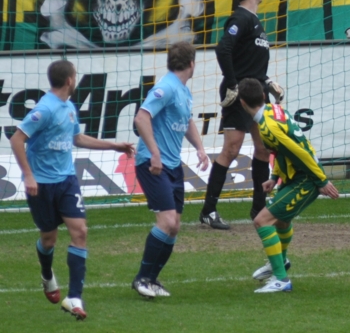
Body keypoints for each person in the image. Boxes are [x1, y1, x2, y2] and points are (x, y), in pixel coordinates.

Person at [10, 60, 135, 320]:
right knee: (49, 239)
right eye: (75, 76)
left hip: (67, 180)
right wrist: (29, 175)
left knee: (80, 231)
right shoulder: (44, 109)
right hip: (42, 185)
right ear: (69, 80)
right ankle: (47, 275)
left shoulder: (69, 107)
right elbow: (17, 139)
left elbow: (77, 138)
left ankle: (74, 297)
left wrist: (113, 146)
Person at [237, 78, 339, 293]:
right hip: (297, 176)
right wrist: (274, 177)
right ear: (263, 97)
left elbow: (300, 151)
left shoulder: (267, 127)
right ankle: (279, 263)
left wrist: (321, 180)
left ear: (242, 103)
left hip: (306, 178)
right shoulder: (274, 110)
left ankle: (281, 280)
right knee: (281, 222)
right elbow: (285, 149)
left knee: (262, 221)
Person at [199, 0, 284, 230]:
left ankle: (259, 208)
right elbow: (223, 49)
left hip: (257, 93)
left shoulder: (255, 21)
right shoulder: (240, 18)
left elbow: (249, 60)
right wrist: (233, 83)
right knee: (231, 149)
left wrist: (267, 81)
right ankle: (208, 210)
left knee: (263, 149)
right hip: (241, 95)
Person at [131, 42, 210, 298]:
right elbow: (141, 118)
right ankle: (142, 278)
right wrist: (154, 153)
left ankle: (152, 280)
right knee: (166, 221)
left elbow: (186, 121)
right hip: (154, 164)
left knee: (174, 225)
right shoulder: (165, 87)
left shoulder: (183, 92)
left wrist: (199, 147)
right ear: (191, 64)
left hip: (173, 165)